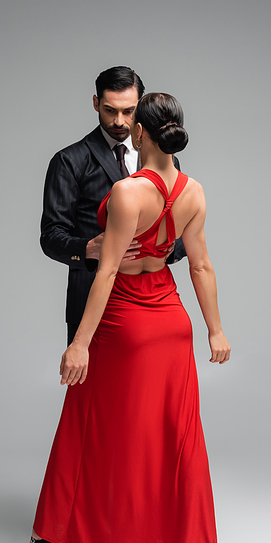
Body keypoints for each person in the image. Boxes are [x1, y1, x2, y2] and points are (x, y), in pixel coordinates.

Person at [21, 92, 231, 543]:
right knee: (175, 435)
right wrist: (216, 329)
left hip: (123, 321)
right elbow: (200, 265)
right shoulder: (196, 191)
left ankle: (50, 542)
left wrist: (80, 345)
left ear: (141, 133)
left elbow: (108, 271)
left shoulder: (127, 193)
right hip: (171, 320)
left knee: (89, 426)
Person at [40, 66, 186, 347]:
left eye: (129, 112)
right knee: (93, 390)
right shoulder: (69, 161)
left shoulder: (167, 162)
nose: (119, 121)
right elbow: (50, 237)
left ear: (141, 108)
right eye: (109, 110)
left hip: (150, 301)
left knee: (143, 389)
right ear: (96, 103)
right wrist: (88, 248)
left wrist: (169, 247)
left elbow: (180, 230)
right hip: (91, 300)